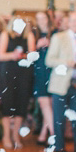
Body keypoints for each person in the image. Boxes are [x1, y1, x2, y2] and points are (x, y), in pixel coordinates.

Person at [45, 10, 76, 152]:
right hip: (60, 84)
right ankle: (59, 146)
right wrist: (68, 63)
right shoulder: (59, 38)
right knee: (59, 118)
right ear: (69, 22)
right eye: (74, 21)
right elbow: (49, 60)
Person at [0, 15, 36, 150]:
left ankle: (16, 135)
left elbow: (32, 55)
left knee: (21, 104)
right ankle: (6, 135)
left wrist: (22, 56)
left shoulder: (28, 35)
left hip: (24, 73)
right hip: (8, 72)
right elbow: (1, 55)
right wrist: (12, 55)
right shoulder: (6, 35)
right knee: (8, 104)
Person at [32, 10, 56, 144]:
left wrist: (50, 44)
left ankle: (44, 134)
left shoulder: (55, 33)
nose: (41, 21)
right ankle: (54, 135)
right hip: (39, 70)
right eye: (38, 18)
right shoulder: (34, 34)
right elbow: (29, 54)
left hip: (52, 70)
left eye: (43, 18)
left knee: (49, 104)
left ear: (48, 19)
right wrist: (37, 46)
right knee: (43, 102)